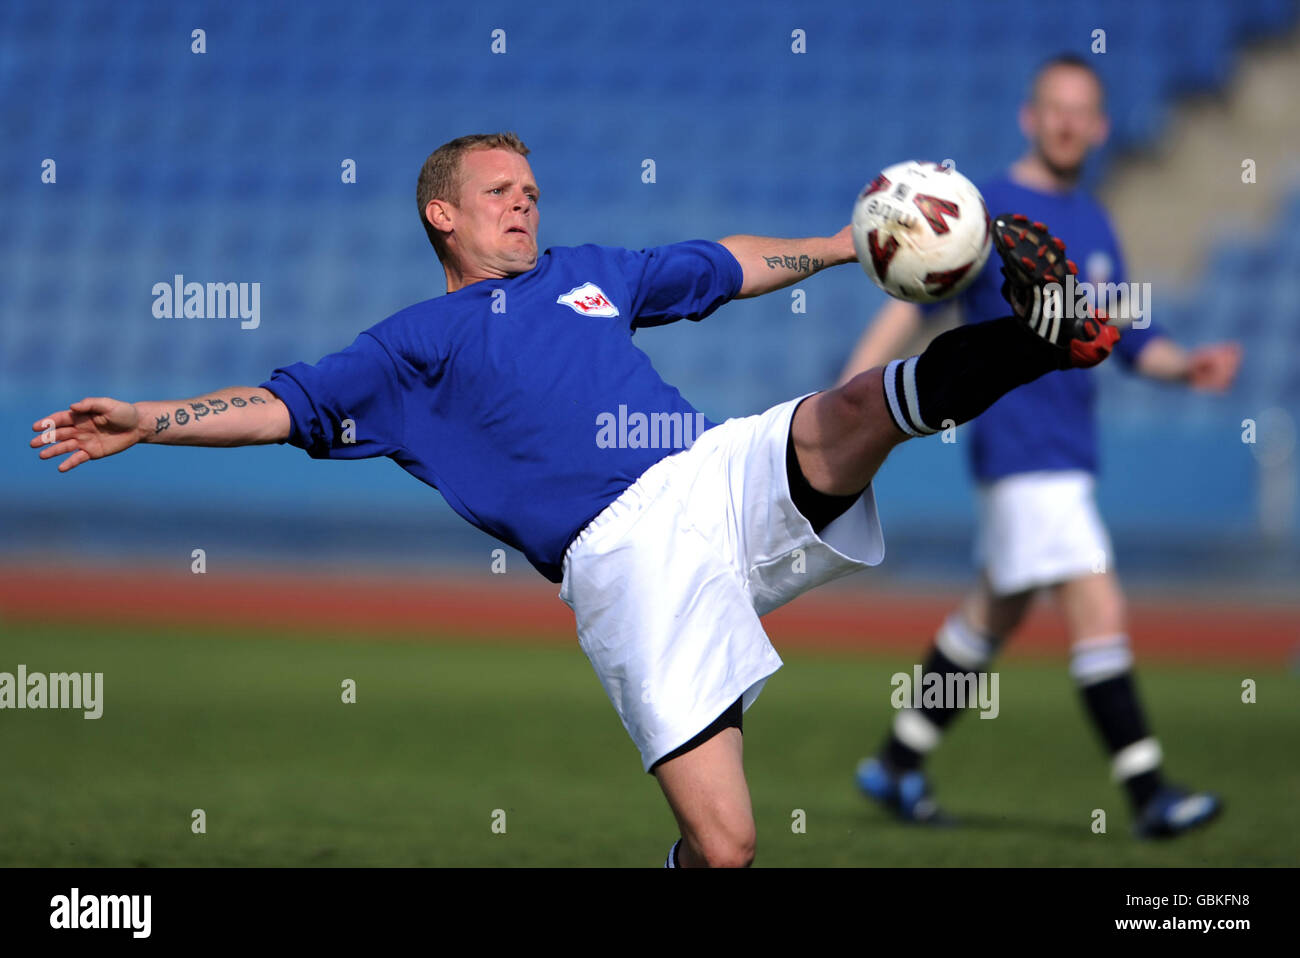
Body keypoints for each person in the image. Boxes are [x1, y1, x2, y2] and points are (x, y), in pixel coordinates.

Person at [31, 131, 1115, 866]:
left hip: (708, 477)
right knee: (726, 845)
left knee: (847, 412)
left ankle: (1044, 332)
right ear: (440, 212)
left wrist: (848, 246)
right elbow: (283, 405)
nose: (524, 202)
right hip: (623, 561)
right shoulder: (413, 345)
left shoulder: (584, 272)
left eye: (532, 189)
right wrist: (151, 415)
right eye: (501, 190)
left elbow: (720, 266)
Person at [840, 56, 1241, 838]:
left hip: (1068, 445)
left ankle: (896, 762)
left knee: (992, 615)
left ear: (1099, 126)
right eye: (1053, 107)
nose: (1065, 121)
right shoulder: (984, 213)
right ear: (1030, 116)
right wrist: (854, 384)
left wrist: (1186, 366)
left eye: (1080, 110)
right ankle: (1150, 792)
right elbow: (914, 299)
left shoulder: (1094, 221)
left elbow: (1122, 333)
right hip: (1021, 446)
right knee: (1096, 598)